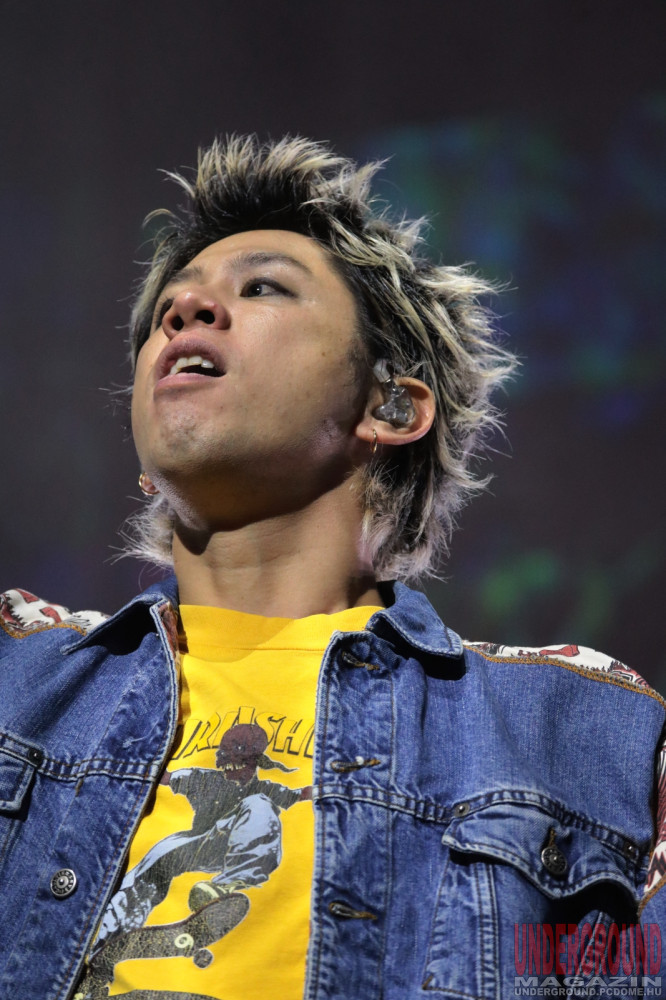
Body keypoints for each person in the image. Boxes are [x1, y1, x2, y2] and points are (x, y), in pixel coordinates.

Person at [0, 135, 664, 1000]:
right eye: (170, 305)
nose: (185, 310)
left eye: (262, 287)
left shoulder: (581, 732)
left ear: (390, 407)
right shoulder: (17, 673)